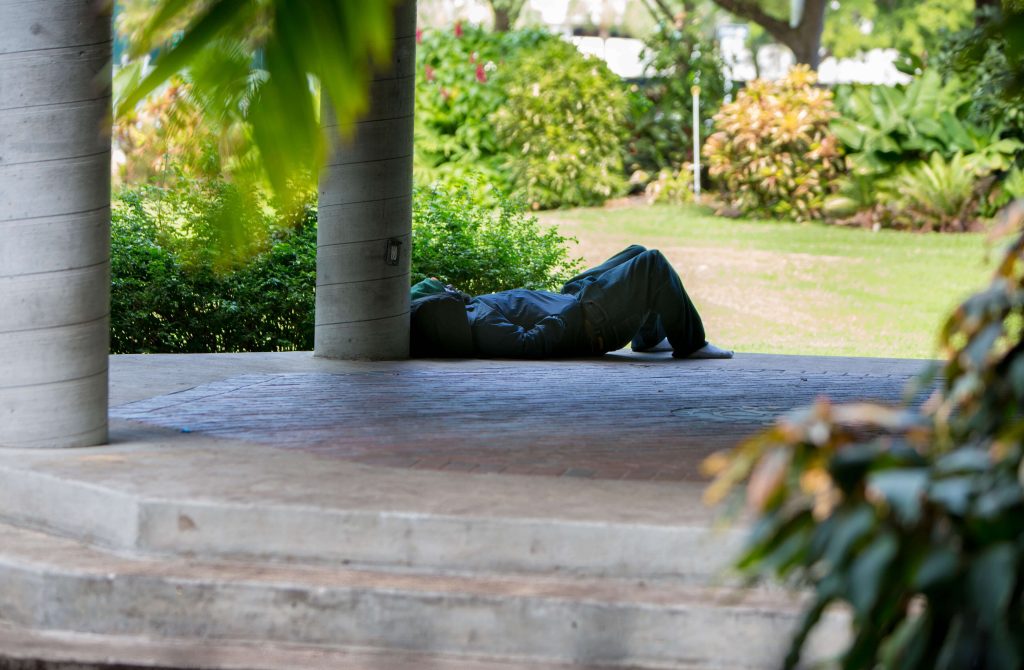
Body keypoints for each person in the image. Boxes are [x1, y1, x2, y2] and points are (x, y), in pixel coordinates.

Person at [409, 245, 732, 360]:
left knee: (634, 251)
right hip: (590, 320)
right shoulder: (482, 327)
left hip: (574, 299)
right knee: (651, 263)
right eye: (443, 291)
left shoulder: (466, 311)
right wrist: (563, 316)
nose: (448, 287)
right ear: (443, 310)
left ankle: (648, 339)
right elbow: (529, 345)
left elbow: (427, 292)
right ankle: (691, 344)